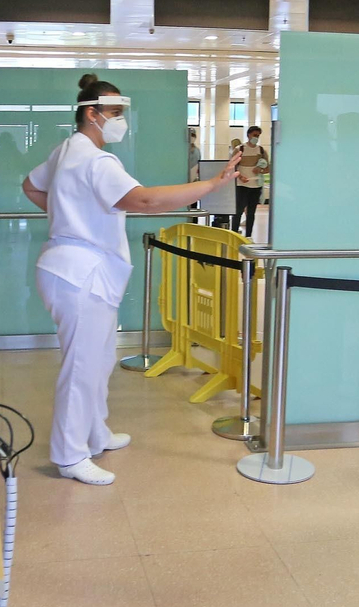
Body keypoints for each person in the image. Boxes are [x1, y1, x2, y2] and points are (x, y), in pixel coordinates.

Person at [21, 74, 241, 485]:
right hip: (79, 275)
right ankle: (69, 455)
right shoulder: (95, 160)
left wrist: (70, 210)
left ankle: (95, 432)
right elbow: (144, 200)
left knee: (100, 358)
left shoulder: (67, 150)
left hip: (69, 270)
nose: (121, 121)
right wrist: (211, 184)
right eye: (116, 113)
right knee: (82, 365)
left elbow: (31, 187)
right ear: (92, 113)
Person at [234, 125, 269, 238]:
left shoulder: (261, 150)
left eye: (258, 136)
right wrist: (240, 177)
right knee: (238, 211)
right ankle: (234, 234)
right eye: (254, 135)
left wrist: (260, 169)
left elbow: (268, 168)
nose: (256, 137)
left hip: (256, 185)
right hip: (241, 185)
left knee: (251, 213)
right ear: (248, 135)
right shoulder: (239, 149)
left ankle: (248, 236)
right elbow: (232, 167)